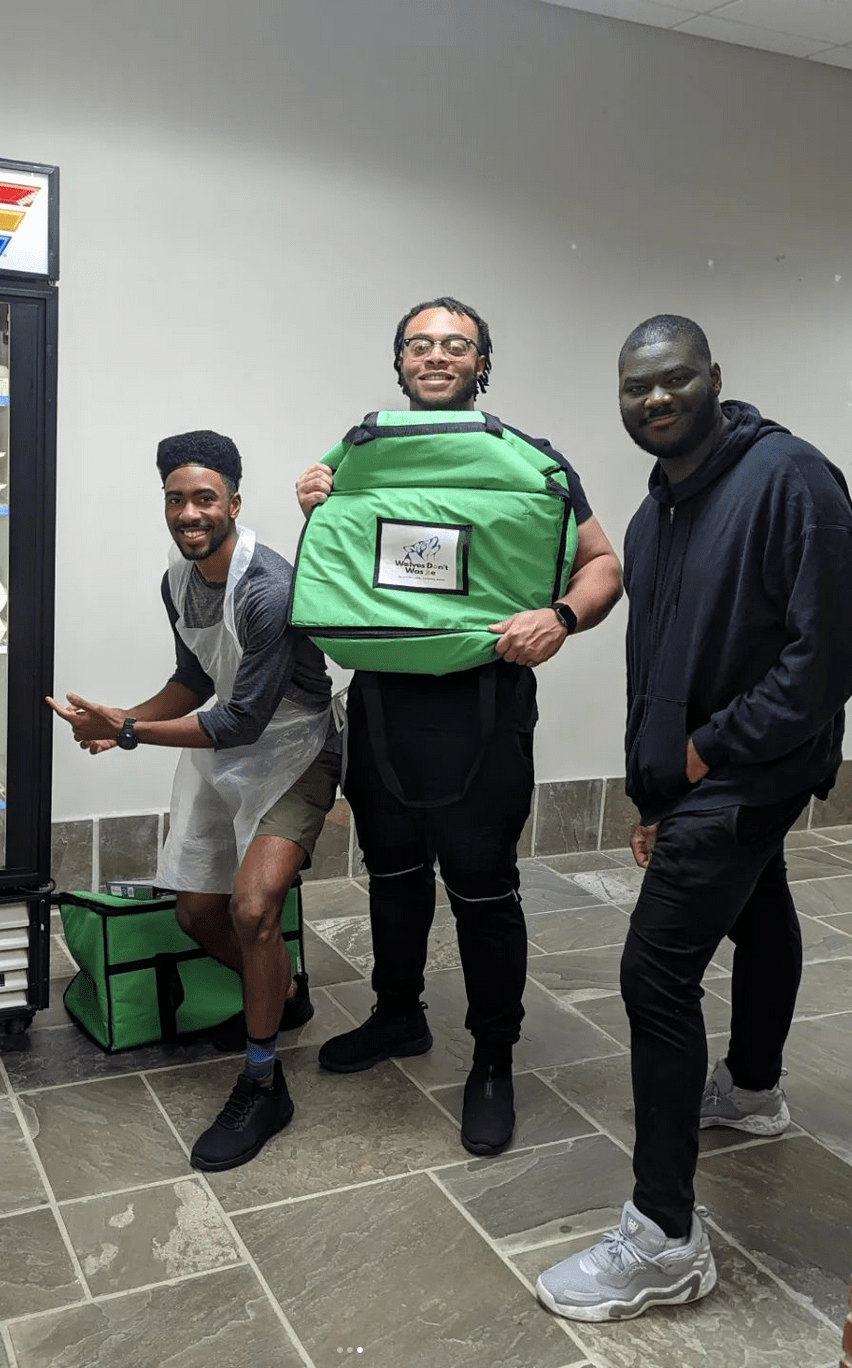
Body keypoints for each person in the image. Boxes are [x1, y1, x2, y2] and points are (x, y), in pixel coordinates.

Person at [536, 315, 852, 1321]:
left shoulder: (791, 480)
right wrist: (653, 792)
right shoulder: (656, 513)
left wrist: (709, 753)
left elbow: (831, 654)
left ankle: (665, 1238)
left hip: (751, 769)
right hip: (701, 778)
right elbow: (660, 671)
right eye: (636, 386)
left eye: (675, 379)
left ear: (714, 379)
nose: (655, 399)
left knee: (653, 973)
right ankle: (757, 1092)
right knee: (759, 909)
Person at [295, 297, 623, 1156]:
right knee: (394, 875)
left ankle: (494, 1059)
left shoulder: (533, 462)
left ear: (482, 365)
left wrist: (561, 615)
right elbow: (350, 571)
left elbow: (603, 562)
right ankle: (398, 1015)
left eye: (456, 345)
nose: (435, 355)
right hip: (382, 704)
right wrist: (317, 509)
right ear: (398, 363)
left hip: (482, 706)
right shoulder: (356, 458)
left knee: (482, 886)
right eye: (419, 344)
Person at [48, 430, 339, 1172]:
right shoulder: (177, 579)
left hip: (294, 749)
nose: (189, 512)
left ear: (234, 503)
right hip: (223, 750)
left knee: (252, 909)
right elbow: (194, 676)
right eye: (176, 499)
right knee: (196, 913)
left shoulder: (269, 587)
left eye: (204, 498)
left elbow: (242, 717)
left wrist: (134, 731)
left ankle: (263, 1081)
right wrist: (120, 722)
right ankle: (285, 992)